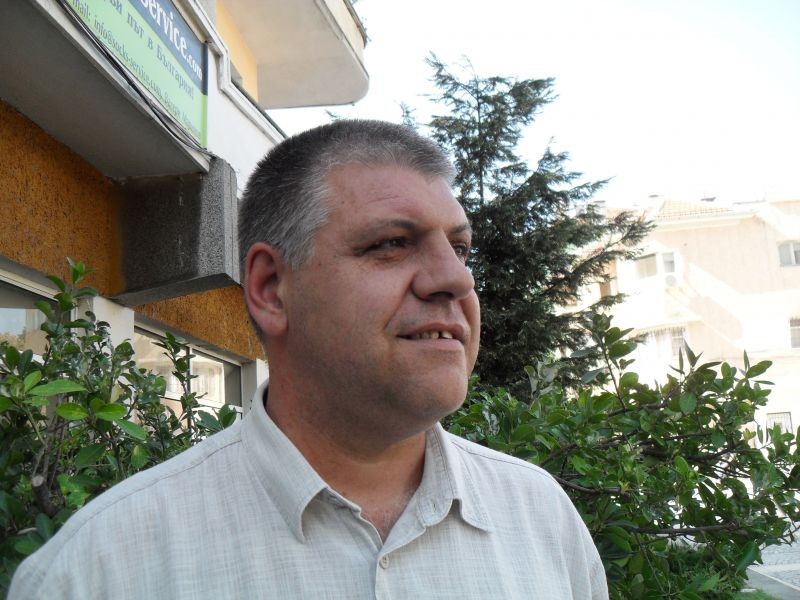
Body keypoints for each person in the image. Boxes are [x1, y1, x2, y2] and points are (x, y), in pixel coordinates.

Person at [10, 120, 608, 599]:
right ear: (271, 289)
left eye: (459, 248)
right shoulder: (99, 569)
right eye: (391, 244)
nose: (455, 279)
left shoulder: (543, 518)